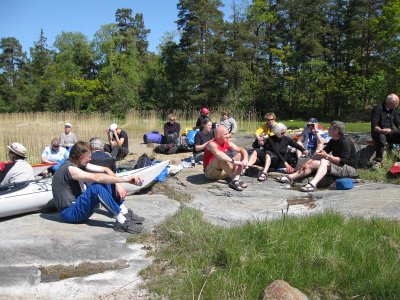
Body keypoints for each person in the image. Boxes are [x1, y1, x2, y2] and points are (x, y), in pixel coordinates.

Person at [52, 141, 144, 233]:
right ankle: (121, 222)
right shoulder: (70, 169)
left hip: (77, 206)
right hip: (70, 213)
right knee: (97, 188)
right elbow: (97, 178)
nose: (91, 159)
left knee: (107, 179)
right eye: (89, 157)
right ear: (81, 158)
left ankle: (124, 212)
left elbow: (106, 169)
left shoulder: (78, 163)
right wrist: (127, 180)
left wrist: (118, 185)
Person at [277, 121, 357, 192]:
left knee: (324, 161)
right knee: (314, 162)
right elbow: (322, 153)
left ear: (336, 131)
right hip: (337, 165)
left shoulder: (345, 142)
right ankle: (291, 177)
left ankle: (313, 184)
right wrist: (307, 162)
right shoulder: (333, 140)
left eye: (330, 128)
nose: (328, 129)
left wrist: (328, 157)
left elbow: (344, 161)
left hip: (349, 168)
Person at [203, 126, 249, 191]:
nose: (228, 136)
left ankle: (236, 179)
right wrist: (233, 161)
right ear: (218, 135)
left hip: (223, 171)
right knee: (220, 158)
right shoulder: (211, 144)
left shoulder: (227, 142)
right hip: (210, 173)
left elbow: (241, 149)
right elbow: (218, 154)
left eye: (228, 133)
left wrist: (245, 159)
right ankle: (234, 179)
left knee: (239, 154)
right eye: (225, 134)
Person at [371, 93, 400, 169]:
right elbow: (374, 125)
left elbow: (398, 122)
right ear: (390, 103)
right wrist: (382, 130)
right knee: (381, 138)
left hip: (389, 132)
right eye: (396, 103)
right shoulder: (378, 109)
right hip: (378, 132)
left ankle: (398, 157)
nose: (397, 105)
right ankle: (378, 162)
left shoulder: (393, 110)